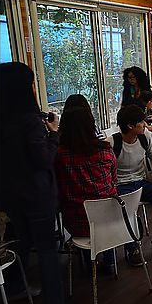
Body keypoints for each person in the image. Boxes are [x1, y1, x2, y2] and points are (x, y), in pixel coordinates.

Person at [0, 62, 67, 304]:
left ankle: (14, 287)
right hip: (37, 195)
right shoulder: (30, 123)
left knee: (21, 241)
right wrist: (54, 134)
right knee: (47, 249)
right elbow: (43, 159)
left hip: (10, 196)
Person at [109, 104, 152, 264]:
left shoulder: (144, 136)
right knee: (127, 210)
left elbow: (151, 152)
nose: (145, 125)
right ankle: (132, 249)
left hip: (141, 182)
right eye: (141, 122)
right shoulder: (113, 143)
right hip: (120, 185)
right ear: (130, 126)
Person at [55, 106, 117, 274]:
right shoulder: (105, 150)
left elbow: (58, 187)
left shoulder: (60, 155)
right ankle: (109, 261)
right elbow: (114, 180)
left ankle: (90, 263)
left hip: (75, 223)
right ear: (92, 125)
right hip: (109, 220)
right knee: (104, 202)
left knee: (79, 209)